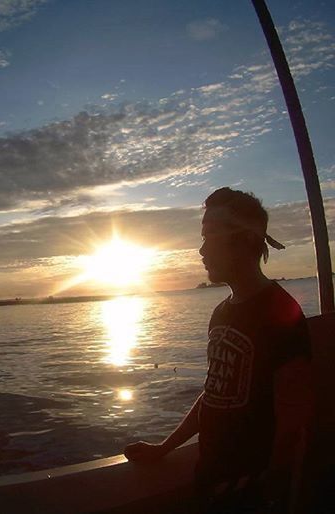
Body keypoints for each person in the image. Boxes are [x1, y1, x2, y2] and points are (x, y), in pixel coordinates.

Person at [124, 187, 313, 513]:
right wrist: (164, 448)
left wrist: (273, 486)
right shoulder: (221, 314)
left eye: (211, 235)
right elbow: (215, 393)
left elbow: (293, 419)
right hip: (209, 481)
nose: (201, 249)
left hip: (247, 492)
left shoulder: (282, 314)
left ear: (246, 240)